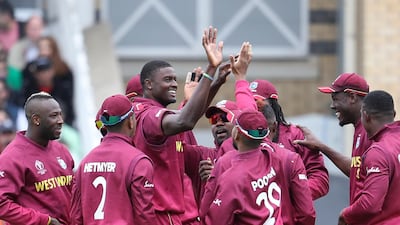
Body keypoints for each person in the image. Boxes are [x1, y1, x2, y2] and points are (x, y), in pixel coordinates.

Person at [132, 26, 224, 225]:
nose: (174, 84)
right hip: (160, 215)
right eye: (167, 80)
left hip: (170, 214)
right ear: (148, 84)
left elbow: (185, 119)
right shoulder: (148, 115)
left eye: (174, 79)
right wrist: (210, 69)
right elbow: (185, 121)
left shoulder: (159, 115)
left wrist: (216, 83)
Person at [71, 94, 155, 224]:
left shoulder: (85, 162)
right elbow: (145, 217)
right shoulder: (139, 161)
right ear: (131, 122)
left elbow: (76, 217)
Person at [294, 73, 372, 206]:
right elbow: (357, 170)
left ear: (352, 97)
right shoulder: (360, 128)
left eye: (335, 99)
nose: (332, 105)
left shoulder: (370, 131)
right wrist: (320, 146)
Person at [0, 92, 74, 224]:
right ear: (36, 119)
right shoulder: (12, 157)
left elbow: (73, 192)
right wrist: (45, 221)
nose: (60, 121)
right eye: (53, 116)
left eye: (60, 114)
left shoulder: (62, 150)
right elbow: (2, 204)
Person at [249, 79, 329, 200]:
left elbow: (320, 178)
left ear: (272, 105)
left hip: (289, 214)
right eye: (249, 102)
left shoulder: (295, 135)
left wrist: (291, 194)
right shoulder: (238, 136)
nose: (252, 107)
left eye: (257, 102)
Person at [204, 109, 286, 225]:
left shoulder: (232, 178)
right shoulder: (275, 158)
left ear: (236, 133)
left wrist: (211, 183)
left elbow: (214, 221)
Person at [338, 90, 400, 225]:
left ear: (365, 116)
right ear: (393, 114)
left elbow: (370, 205)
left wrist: (345, 216)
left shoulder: (379, 151)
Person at [22, 56, 75, 126]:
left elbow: (69, 111)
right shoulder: (29, 90)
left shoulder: (62, 88)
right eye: (40, 72)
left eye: (46, 71)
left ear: (52, 71)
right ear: (35, 75)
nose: (43, 75)